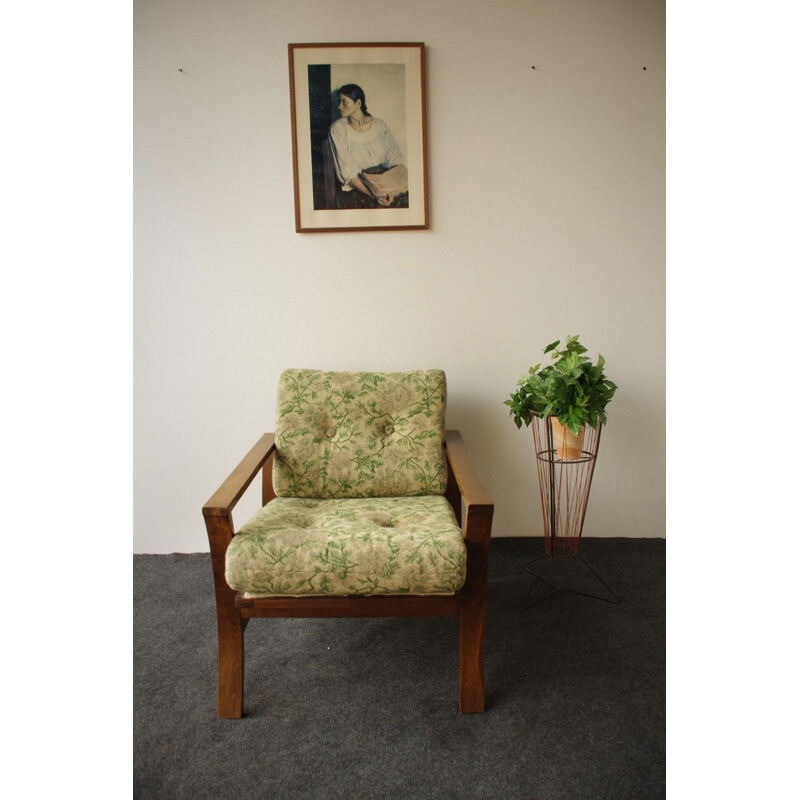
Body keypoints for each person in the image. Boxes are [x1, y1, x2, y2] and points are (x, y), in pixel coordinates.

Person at [328, 84, 408, 207]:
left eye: (344, 102)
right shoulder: (337, 129)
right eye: (339, 102)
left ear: (358, 103)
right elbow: (347, 172)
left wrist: (390, 191)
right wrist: (374, 195)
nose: (339, 106)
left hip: (384, 183)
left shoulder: (380, 126)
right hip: (359, 187)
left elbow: (395, 159)